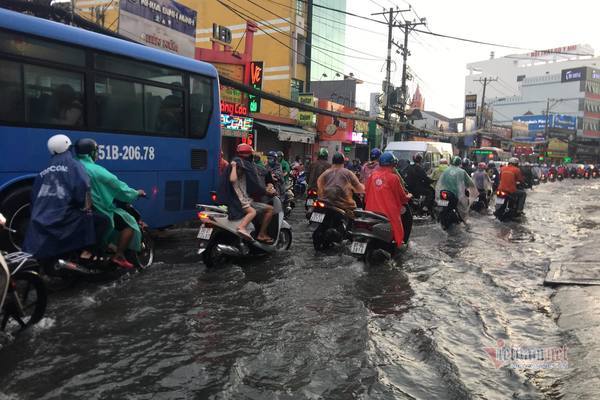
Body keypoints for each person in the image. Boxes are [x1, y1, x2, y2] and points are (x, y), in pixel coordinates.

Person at [23, 134, 96, 261]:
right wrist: (85, 206)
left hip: (39, 218)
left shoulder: (43, 171)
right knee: (97, 219)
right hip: (62, 216)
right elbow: (83, 190)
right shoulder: (74, 166)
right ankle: (87, 253)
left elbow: (34, 198)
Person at [75, 139, 145, 269]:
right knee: (128, 223)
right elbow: (119, 188)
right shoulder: (96, 170)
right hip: (99, 210)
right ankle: (119, 255)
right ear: (91, 153)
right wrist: (136, 193)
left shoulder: (72, 166)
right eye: (96, 152)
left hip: (74, 210)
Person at [221, 144, 274, 243]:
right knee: (266, 210)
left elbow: (260, 176)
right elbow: (234, 179)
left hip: (241, 198)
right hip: (241, 199)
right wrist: (234, 167)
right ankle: (259, 233)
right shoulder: (239, 165)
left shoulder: (246, 165)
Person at [365, 152, 412, 247]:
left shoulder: (372, 175)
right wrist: (409, 196)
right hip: (387, 213)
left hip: (370, 211)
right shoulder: (393, 178)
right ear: (393, 164)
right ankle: (399, 244)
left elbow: (366, 192)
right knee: (399, 225)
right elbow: (402, 197)